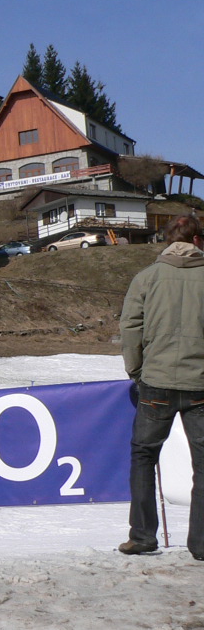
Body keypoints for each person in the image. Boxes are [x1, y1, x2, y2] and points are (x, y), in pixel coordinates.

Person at [119, 214, 204, 560]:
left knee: (143, 455)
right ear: (197, 240)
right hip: (200, 384)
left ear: (168, 241)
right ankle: (201, 543)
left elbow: (130, 329)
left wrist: (137, 371)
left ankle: (142, 536)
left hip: (156, 381)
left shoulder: (147, 277)